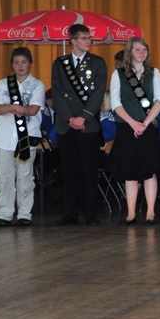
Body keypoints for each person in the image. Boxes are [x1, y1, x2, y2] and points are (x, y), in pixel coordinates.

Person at [105, 37, 160, 225]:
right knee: (130, 172)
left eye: (144, 49)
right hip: (127, 127)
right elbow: (115, 102)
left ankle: (150, 212)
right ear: (130, 52)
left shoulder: (154, 73)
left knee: (150, 172)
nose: (142, 52)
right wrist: (133, 123)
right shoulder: (119, 74)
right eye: (138, 49)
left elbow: (159, 100)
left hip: (147, 127)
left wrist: (145, 123)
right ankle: (131, 213)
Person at [50, 24, 108, 226]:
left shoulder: (98, 63)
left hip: (88, 124)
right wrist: (70, 118)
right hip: (66, 125)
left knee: (89, 170)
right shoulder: (60, 63)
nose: (88, 41)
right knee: (69, 170)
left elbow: (98, 93)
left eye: (89, 37)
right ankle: (70, 213)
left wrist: (83, 117)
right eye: (83, 38)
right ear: (72, 40)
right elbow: (56, 92)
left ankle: (90, 212)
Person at [0, 47, 46, 227]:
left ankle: (24, 214)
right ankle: (4, 214)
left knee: (25, 177)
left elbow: (33, 110)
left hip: (27, 138)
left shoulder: (38, 85)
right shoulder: (3, 84)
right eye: (16, 62)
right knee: (4, 177)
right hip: (4, 137)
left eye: (24, 62)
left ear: (30, 64)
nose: (20, 66)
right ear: (12, 65)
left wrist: (10, 108)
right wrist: (14, 107)